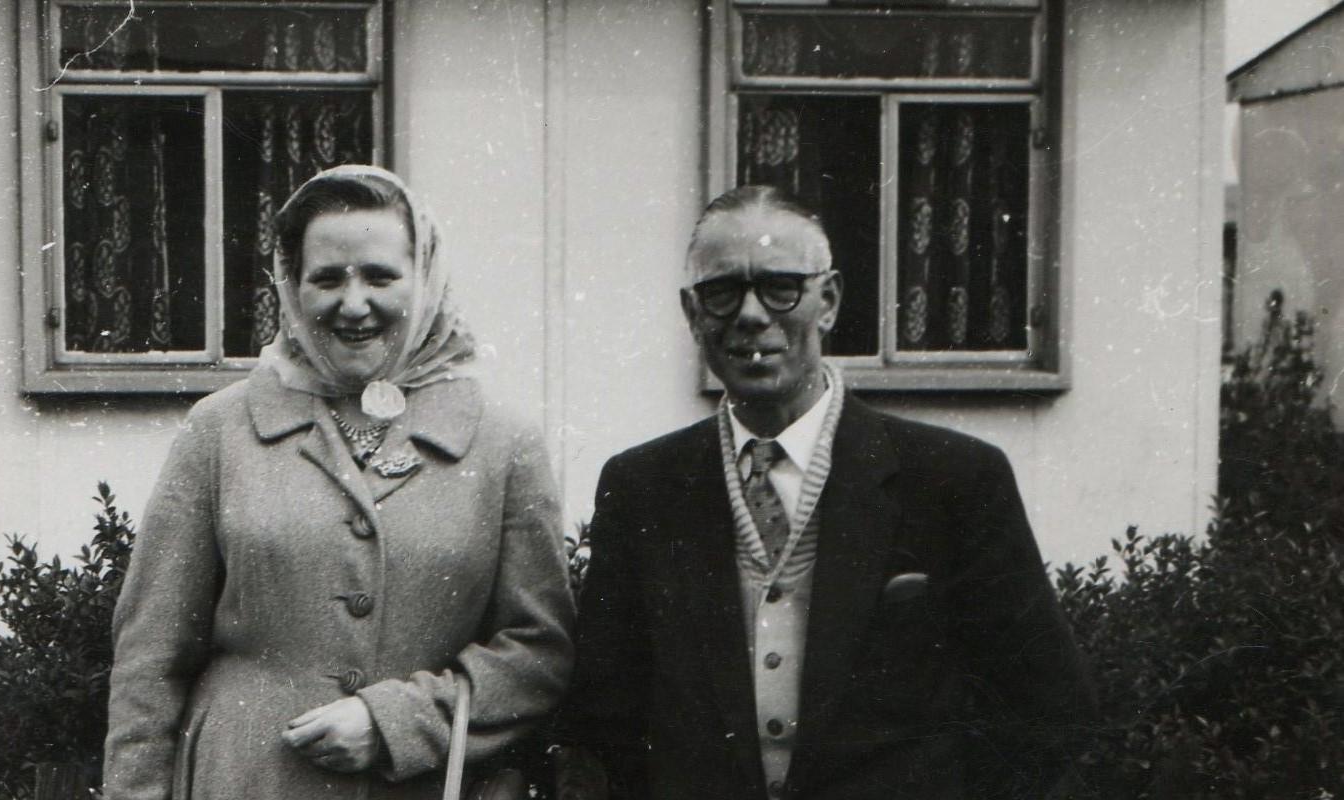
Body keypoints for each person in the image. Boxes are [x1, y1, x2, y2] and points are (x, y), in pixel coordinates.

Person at [558, 185, 1095, 800]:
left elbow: (1051, 708)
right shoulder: (642, 488)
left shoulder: (954, 480)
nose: (752, 315)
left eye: (781, 286)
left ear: (830, 300)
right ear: (692, 314)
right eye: (722, 291)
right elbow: (603, 723)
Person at [104, 165, 575, 800]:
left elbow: (538, 652)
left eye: (380, 276)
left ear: (425, 278)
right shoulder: (219, 429)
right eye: (327, 278)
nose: (354, 305)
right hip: (246, 781)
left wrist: (400, 722)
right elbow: (150, 657)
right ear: (292, 288)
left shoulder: (502, 441)